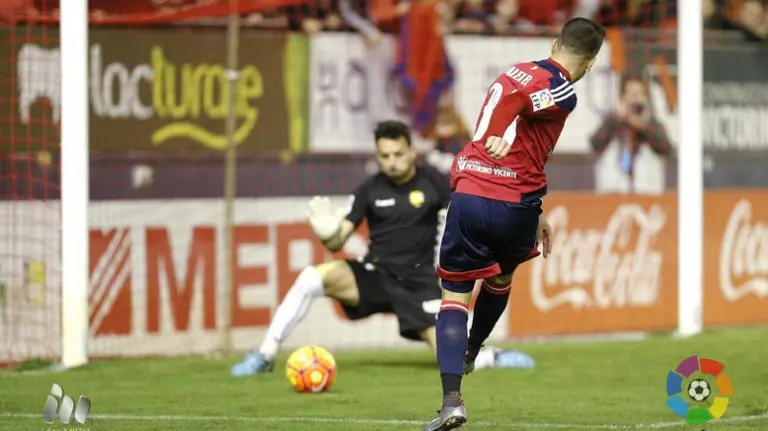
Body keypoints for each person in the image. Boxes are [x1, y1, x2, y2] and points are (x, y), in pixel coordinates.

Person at [423, 17, 606, 430]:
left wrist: (496, 133)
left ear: (555, 41)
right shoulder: (564, 90)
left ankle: (452, 401)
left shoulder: (515, 70)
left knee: (453, 298)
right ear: (590, 64)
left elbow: (514, 102)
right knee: (500, 279)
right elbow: (528, 105)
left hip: (469, 192)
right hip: (512, 204)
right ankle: (472, 350)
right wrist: (499, 133)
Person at [231, 120, 514, 377]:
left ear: (412, 151)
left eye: (398, 154)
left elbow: (465, 211)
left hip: (417, 281)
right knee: (311, 278)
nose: (392, 162)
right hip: (375, 274)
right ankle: (264, 354)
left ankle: (491, 356)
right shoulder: (369, 189)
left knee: (449, 356)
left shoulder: (435, 182)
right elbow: (338, 241)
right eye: (384, 156)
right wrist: (326, 232)